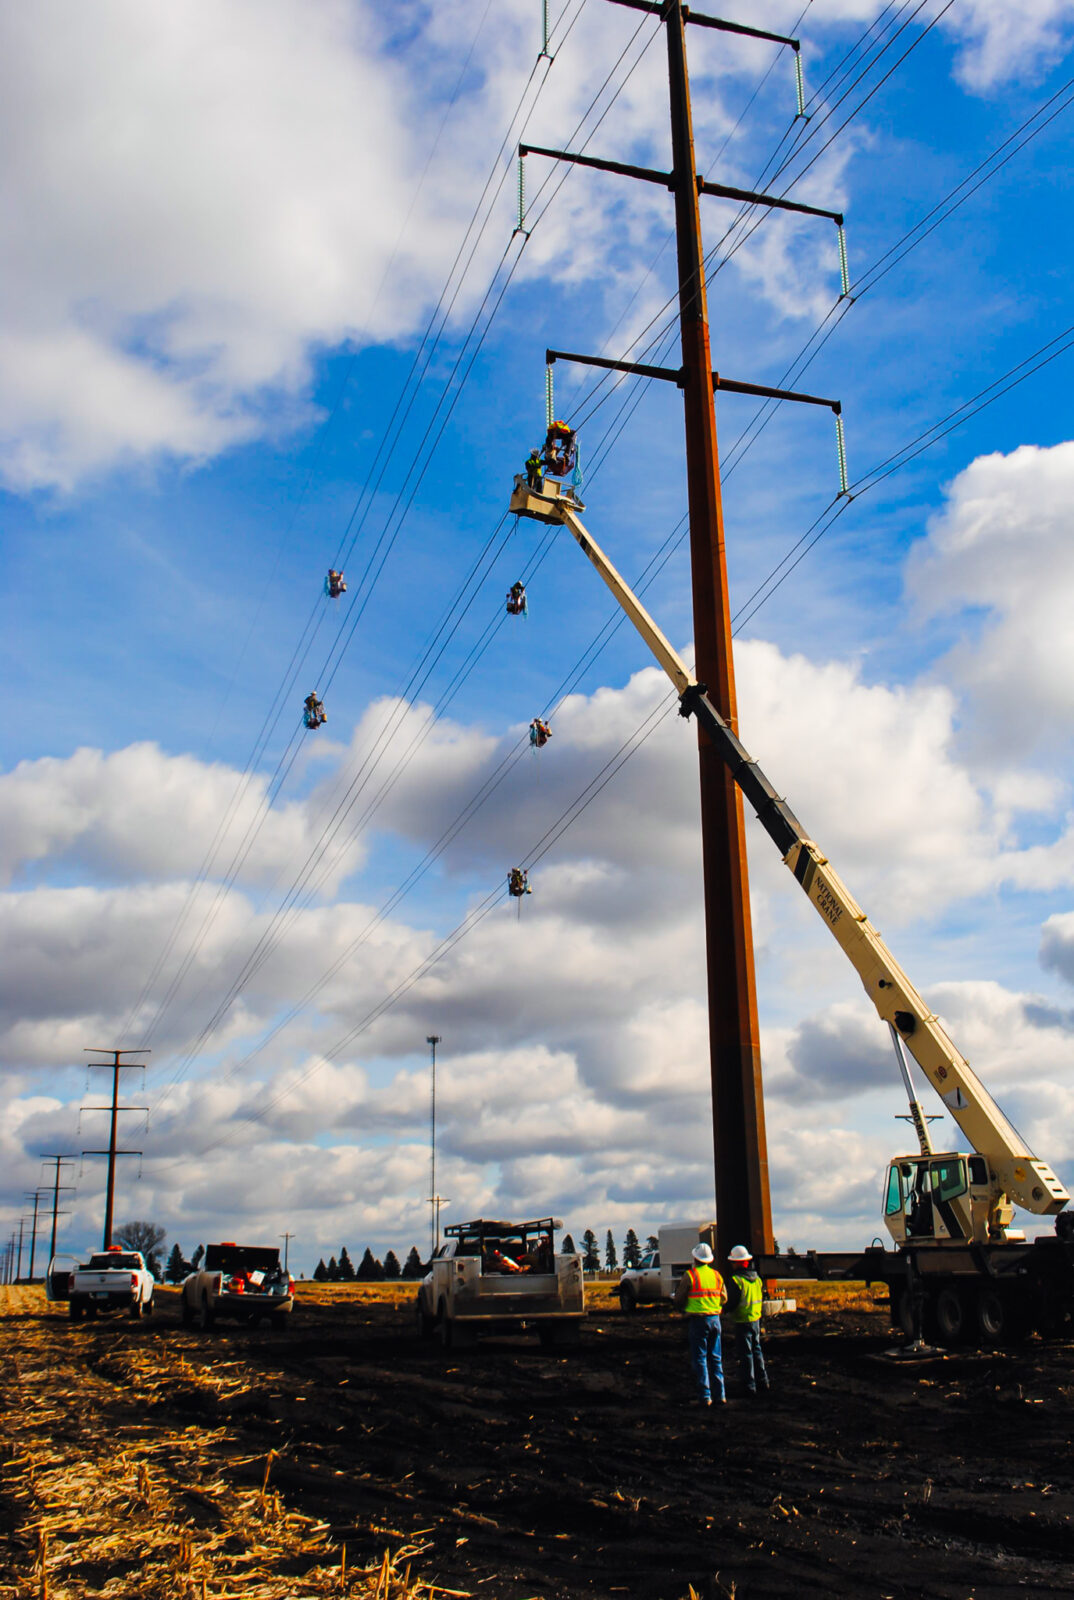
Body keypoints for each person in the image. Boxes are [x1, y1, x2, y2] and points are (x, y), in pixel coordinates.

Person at [674, 1242, 727, 1406]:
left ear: (695, 1258)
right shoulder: (717, 1276)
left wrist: (683, 1306)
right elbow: (724, 1298)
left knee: (700, 1358)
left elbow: (679, 1298)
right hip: (715, 1320)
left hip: (699, 1321)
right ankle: (721, 1395)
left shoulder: (690, 1275)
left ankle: (705, 1396)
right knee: (716, 1358)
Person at [724, 1244, 769, 1397]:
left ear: (736, 1262)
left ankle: (749, 1386)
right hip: (755, 1319)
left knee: (746, 1354)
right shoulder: (757, 1279)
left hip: (742, 1320)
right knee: (757, 1350)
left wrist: (723, 1309)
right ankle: (763, 1381)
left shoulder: (736, 1280)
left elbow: (732, 1302)